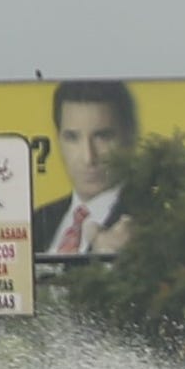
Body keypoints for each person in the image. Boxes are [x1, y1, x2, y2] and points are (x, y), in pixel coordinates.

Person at [34, 80, 138, 256]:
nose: (88, 158)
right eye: (72, 138)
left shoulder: (151, 223)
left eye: (102, 137)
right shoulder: (37, 220)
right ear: (58, 140)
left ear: (129, 138)